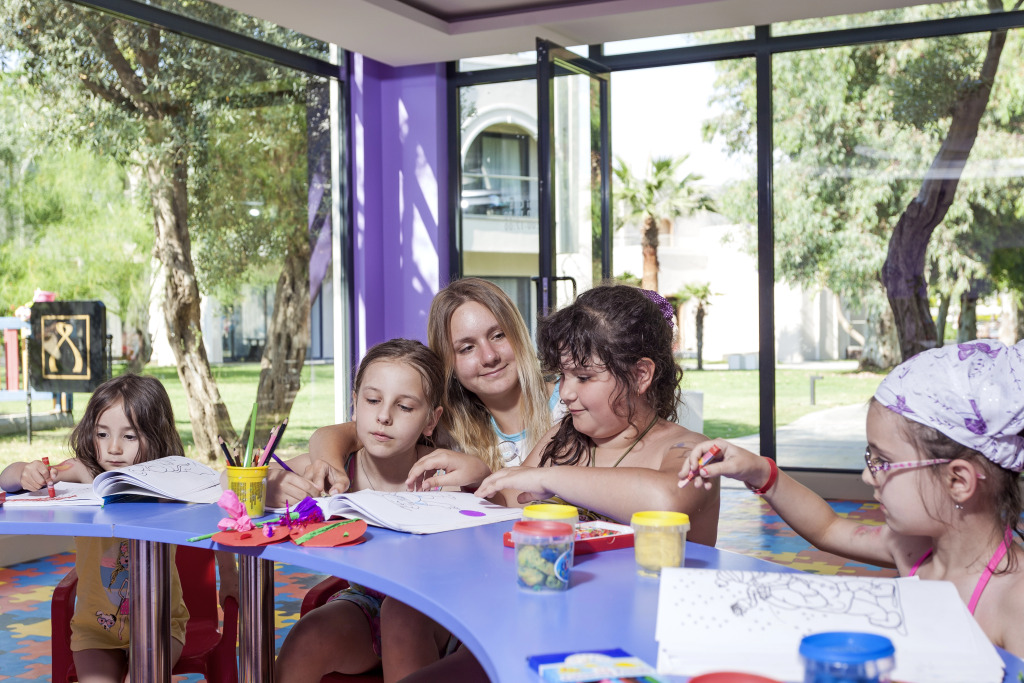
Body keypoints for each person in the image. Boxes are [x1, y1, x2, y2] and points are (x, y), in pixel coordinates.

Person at [395, 284, 719, 683]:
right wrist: (479, 477)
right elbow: (511, 500)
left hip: (645, 651)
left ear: (640, 375)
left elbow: (666, 500)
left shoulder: (688, 449)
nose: (565, 393)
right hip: (551, 634)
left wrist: (549, 477)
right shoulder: (563, 439)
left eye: (583, 377)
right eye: (563, 375)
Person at [679, 339, 1024, 657]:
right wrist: (759, 472)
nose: (867, 476)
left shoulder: (1014, 600)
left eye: (883, 462)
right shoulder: (913, 549)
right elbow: (827, 528)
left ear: (958, 480)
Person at [0, 373, 238, 683]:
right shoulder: (85, 471)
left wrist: (229, 576)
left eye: (130, 436)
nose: (113, 448)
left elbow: (218, 516)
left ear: (156, 435)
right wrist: (25, 471)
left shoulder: (174, 482)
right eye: (102, 434)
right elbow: (8, 479)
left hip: (162, 625)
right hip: (95, 629)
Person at [265, 277, 559, 507]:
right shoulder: (447, 428)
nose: (489, 356)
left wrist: (482, 475)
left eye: (498, 335)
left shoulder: (571, 406)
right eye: (466, 348)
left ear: (518, 333)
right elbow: (348, 433)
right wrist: (328, 467)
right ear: (449, 362)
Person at [274, 338, 445, 683]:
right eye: (372, 400)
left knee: (402, 623)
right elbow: (233, 479)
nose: (384, 416)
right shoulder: (334, 467)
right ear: (355, 404)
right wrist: (271, 484)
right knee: (303, 641)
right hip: (366, 605)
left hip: (437, 613)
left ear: (431, 420)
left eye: (405, 407)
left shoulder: (443, 475)